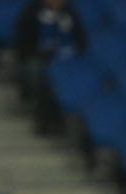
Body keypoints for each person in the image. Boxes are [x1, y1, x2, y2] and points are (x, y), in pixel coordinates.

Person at [13, 0, 88, 134]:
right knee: (43, 76)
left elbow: (81, 41)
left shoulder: (70, 12)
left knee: (72, 77)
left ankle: (60, 119)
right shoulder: (32, 11)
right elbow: (24, 42)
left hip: (67, 59)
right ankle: (46, 120)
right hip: (39, 58)